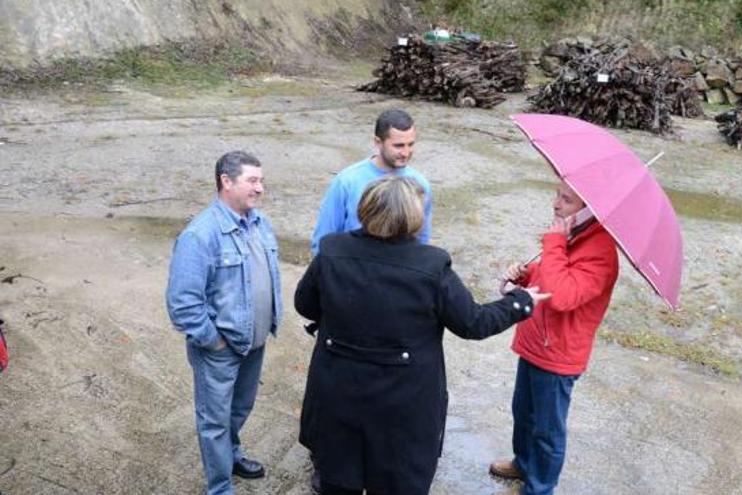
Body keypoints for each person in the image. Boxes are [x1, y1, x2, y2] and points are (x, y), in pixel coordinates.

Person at [295, 176, 549, 495]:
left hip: (337, 396)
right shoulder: (431, 265)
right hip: (402, 407)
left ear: (367, 208)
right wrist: (520, 302)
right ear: (413, 217)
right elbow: (473, 323)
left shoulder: (333, 250)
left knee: (337, 481)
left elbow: (304, 303)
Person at [489, 180, 619, 495]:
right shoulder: (571, 233)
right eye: (557, 194)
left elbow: (561, 296)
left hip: (559, 353)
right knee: (523, 411)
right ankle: (523, 463)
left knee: (548, 430)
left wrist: (554, 242)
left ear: (587, 208)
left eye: (566, 199)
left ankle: (539, 487)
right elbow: (551, 278)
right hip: (535, 342)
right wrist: (527, 274)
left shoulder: (600, 251)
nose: (555, 203)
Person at [166, 151, 284, 495]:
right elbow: (183, 303)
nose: (260, 188)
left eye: (261, 180)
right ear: (226, 182)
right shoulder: (200, 235)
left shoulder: (260, 223)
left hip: (254, 342)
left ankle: (231, 455)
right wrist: (213, 341)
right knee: (214, 421)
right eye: (252, 180)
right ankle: (219, 488)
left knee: (239, 409)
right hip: (221, 349)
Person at [310, 108, 432, 255]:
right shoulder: (347, 182)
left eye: (410, 144)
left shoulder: (420, 184)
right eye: (398, 146)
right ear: (378, 142)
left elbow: (421, 240)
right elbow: (323, 239)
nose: (406, 153)